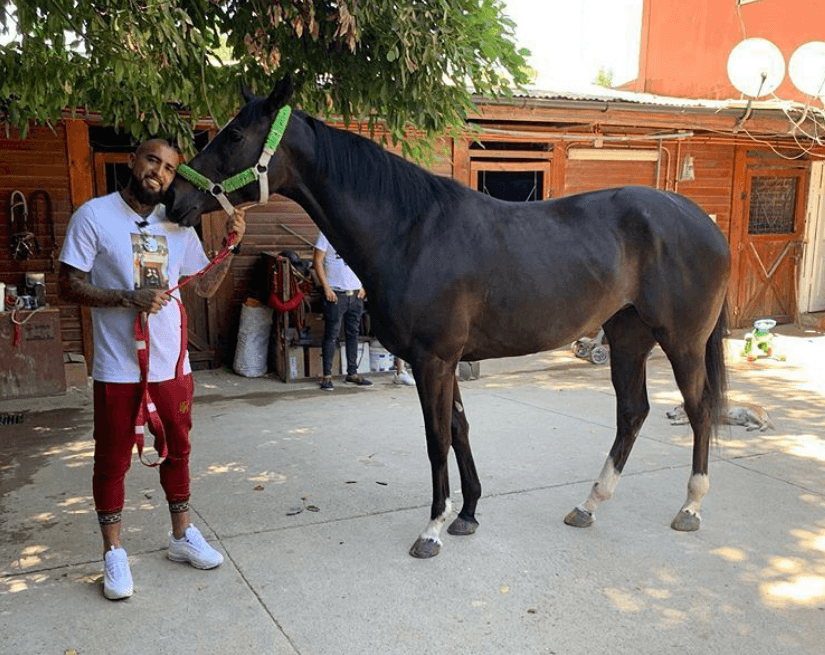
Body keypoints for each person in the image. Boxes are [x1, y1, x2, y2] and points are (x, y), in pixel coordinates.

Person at [58, 139, 246, 600]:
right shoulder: (94, 216)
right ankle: (113, 552)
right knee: (113, 460)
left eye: (168, 168)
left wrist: (231, 247)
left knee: (178, 450)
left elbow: (202, 287)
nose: (158, 172)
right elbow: (68, 284)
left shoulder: (178, 226)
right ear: (132, 160)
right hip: (119, 368)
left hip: (171, 364)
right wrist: (126, 298)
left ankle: (181, 537)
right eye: (151, 160)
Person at [312, 233, 372, 390]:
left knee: (353, 334)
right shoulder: (325, 233)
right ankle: (326, 376)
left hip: (356, 294)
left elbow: (366, 260)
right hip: (336, 294)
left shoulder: (353, 231)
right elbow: (317, 261)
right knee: (331, 334)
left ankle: (352, 373)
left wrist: (364, 286)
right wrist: (326, 288)